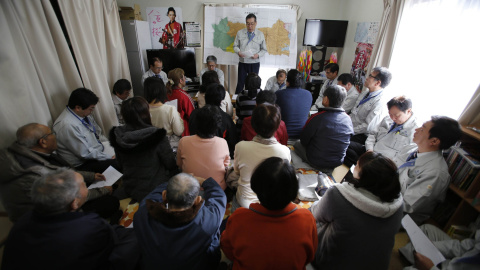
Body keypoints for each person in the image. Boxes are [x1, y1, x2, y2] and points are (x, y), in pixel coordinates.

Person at [1, 169, 139, 270]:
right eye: (84, 185)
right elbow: (113, 241)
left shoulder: (22, 222)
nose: (86, 186)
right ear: (74, 203)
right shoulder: (88, 225)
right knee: (138, 238)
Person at [0, 123, 118, 222]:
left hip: (61, 196)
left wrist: (91, 176)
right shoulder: (37, 174)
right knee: (110, 203)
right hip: (48, 217)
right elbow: (71, 197)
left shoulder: (25, 152)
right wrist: (102, 191)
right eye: (52, 134)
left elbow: (64, 172)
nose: (55, 136)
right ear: (43, 142)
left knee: (107, 180)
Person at [310, 152, 404, 269]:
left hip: (331, 263)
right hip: (376, 265)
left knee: (307, 219)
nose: (354, 166)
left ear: (363, 176)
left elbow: (315, 214)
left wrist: (325, 199)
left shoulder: (338, 194)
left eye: (357, 165)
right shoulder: (399, 205)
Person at [221, 157, 318, 269]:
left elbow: (228, 250)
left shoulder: (239, 217)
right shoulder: (307, 218)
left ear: (256, 186)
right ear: (293, 190)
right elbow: (309, 256)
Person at [134, 173, 226, 270]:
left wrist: (178, 182)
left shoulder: (142, 214)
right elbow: (219, 197)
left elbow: (152, 196)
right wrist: (205, 182)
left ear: (164, 195)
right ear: (197, 200)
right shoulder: (208, 221)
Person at [394, 116, 462, 224]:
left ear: (434, 141)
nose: (416, 129)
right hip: (387, 194)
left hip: (399, 216)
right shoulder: (412, 149)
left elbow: (407, 206)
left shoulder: (435, 173)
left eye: (422, 129)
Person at [109, 97, 177, 202]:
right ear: (146, 113)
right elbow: (170, 163)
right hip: (156, 188)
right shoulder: (156, 135)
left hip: (130, 187)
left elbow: (120, 164)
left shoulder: (117, 135)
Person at [232, 104, 291, 211]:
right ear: (278, 126)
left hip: (245, 201)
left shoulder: (241, 146)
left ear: (253, 125)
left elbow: (237, 172)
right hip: (272, 203)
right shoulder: (285, 151)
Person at [53, 88, 118, 173]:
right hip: (83, 164)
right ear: (78, 108)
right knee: (120, 163)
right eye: (91, 109)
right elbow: (85, 154)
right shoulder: (67, 126)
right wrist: (109, 157)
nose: (92, 111)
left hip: (97, 151)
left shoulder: (82, 114)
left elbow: (97, 132)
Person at [345, 96, 419, 167]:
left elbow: (403, 157)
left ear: (408, 111)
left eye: (397, 115)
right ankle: (361, 166)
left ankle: (361, 168)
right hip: (370, 150)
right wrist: (369, 149)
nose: (393, 118)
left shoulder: (415, 131)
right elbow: (373, 134)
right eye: (390, 114)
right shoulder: (387, 119)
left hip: (382, 161)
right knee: (343, 145)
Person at [295, 85, 353, 173]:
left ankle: (313, 166)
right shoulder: (348, 119)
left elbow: (304, 140)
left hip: (316, 160)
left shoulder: (317, 117)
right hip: (337, 162)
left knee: (297, 143)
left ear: (326, 99)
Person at [177, 105, 230, 190]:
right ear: (217, 126)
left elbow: (179, 164)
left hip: (189, 189)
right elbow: (225, 166)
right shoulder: (222, 142)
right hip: (216, 189)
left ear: (196, 123)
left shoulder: (184, 141)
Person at [399, 224, 480, 270]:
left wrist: (430, 268)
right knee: (425, 230)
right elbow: (464, 247)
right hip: (454, 261)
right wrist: (433, 246)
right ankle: (414, 260)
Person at [190, 83, 237, 158]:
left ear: (205, 96)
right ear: (221, 100)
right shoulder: (226, 118)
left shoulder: (194, 114)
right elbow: (232, 143)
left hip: (195, 155)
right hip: (218, 157)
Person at [349, 66, 392, 145]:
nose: (367, 78)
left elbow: (368, 127)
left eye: (370, 76)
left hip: (361, 135)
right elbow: (354, 111)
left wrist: (349, 130)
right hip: (351, 127)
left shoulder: (380, 101)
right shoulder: (365, 93)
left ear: (378, 82)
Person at [144, 77, 184, 149]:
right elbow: (179, 131)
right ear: (162, 90)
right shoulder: (170, 109)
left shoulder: (142, 109)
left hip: (150, 147)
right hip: (169, 146)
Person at [234, 13, 267, 94]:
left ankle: (253, 101)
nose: (250, 26)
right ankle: (236, 101)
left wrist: (258, 55)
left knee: (253, 83)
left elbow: (264, 49)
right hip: (243, 62)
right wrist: (238, 52)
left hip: (254, 63)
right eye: (248, 24)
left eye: (252, 24)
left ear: (256, 23)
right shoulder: (240, 33)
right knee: (240, 83)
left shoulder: (260, 34)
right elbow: (235, 46)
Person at [275, 69, 312, 138]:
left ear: (287, 82)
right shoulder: (308, 94)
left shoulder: (278, 94)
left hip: (283, 135)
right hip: (302, 135)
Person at [166, 68, 195, 136]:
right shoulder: (184, 96)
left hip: (169, 130)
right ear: (180, 80)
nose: (185, 79)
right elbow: (192, 115)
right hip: (182, 131)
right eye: (184, 77)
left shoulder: (166, 94)